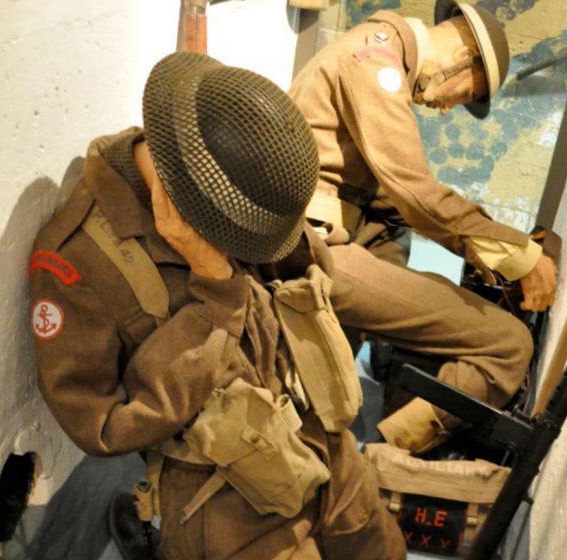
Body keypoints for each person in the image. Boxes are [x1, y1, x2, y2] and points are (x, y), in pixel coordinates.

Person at [29, 51, 406, 559]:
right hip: (225, 493)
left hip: (315, 427)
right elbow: (103, 425)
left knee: (381, 550)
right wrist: (212, 287)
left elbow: (299, 271)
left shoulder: (228, 170)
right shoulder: (79, 261)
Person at [288, 0, 559, 454]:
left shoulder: (375, 52)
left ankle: (332, 420)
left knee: (411, 256)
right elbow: (415, 193)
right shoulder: (377, 63)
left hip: (323, 229)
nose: (449, 109)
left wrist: (488, 246)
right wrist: (522, 256)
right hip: (311, 243)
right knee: (507, 344)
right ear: (464, 56)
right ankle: (386, 460)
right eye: (466, 95)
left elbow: (394, 198)